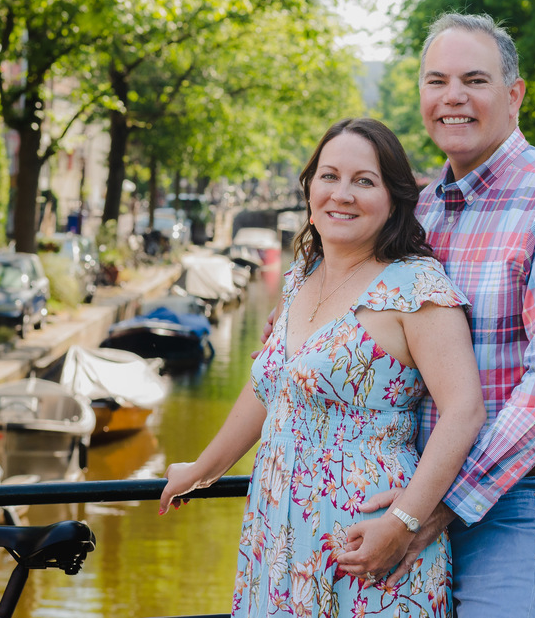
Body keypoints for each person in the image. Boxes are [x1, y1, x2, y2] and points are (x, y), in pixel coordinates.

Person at [344, 13, 535, 618]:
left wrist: (436, 507)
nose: (453, 98)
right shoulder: (417, 210)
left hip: (515, 497)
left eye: (474, 79)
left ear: (514, 94)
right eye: (436, 81)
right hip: (404, 490)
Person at [159, 117, 485, 617]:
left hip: (365, 538)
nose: (342, 194)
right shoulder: (300, 278)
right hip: (278, 528)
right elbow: (271, 390)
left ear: (395, 197)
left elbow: (463, 411)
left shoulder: (416, 286)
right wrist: (204, 469)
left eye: (364, 181)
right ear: (309, 187)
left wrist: (403, 521)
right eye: (329, 176)